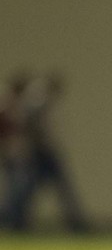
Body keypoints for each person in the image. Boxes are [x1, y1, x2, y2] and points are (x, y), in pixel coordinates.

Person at [0, 73, 88, 232]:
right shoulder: (29, 101)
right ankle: (15, 223)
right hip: (30, 156)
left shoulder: (29, 102)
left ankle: (17, 223)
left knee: (25, 192)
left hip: (36, 154)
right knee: (20, 193)